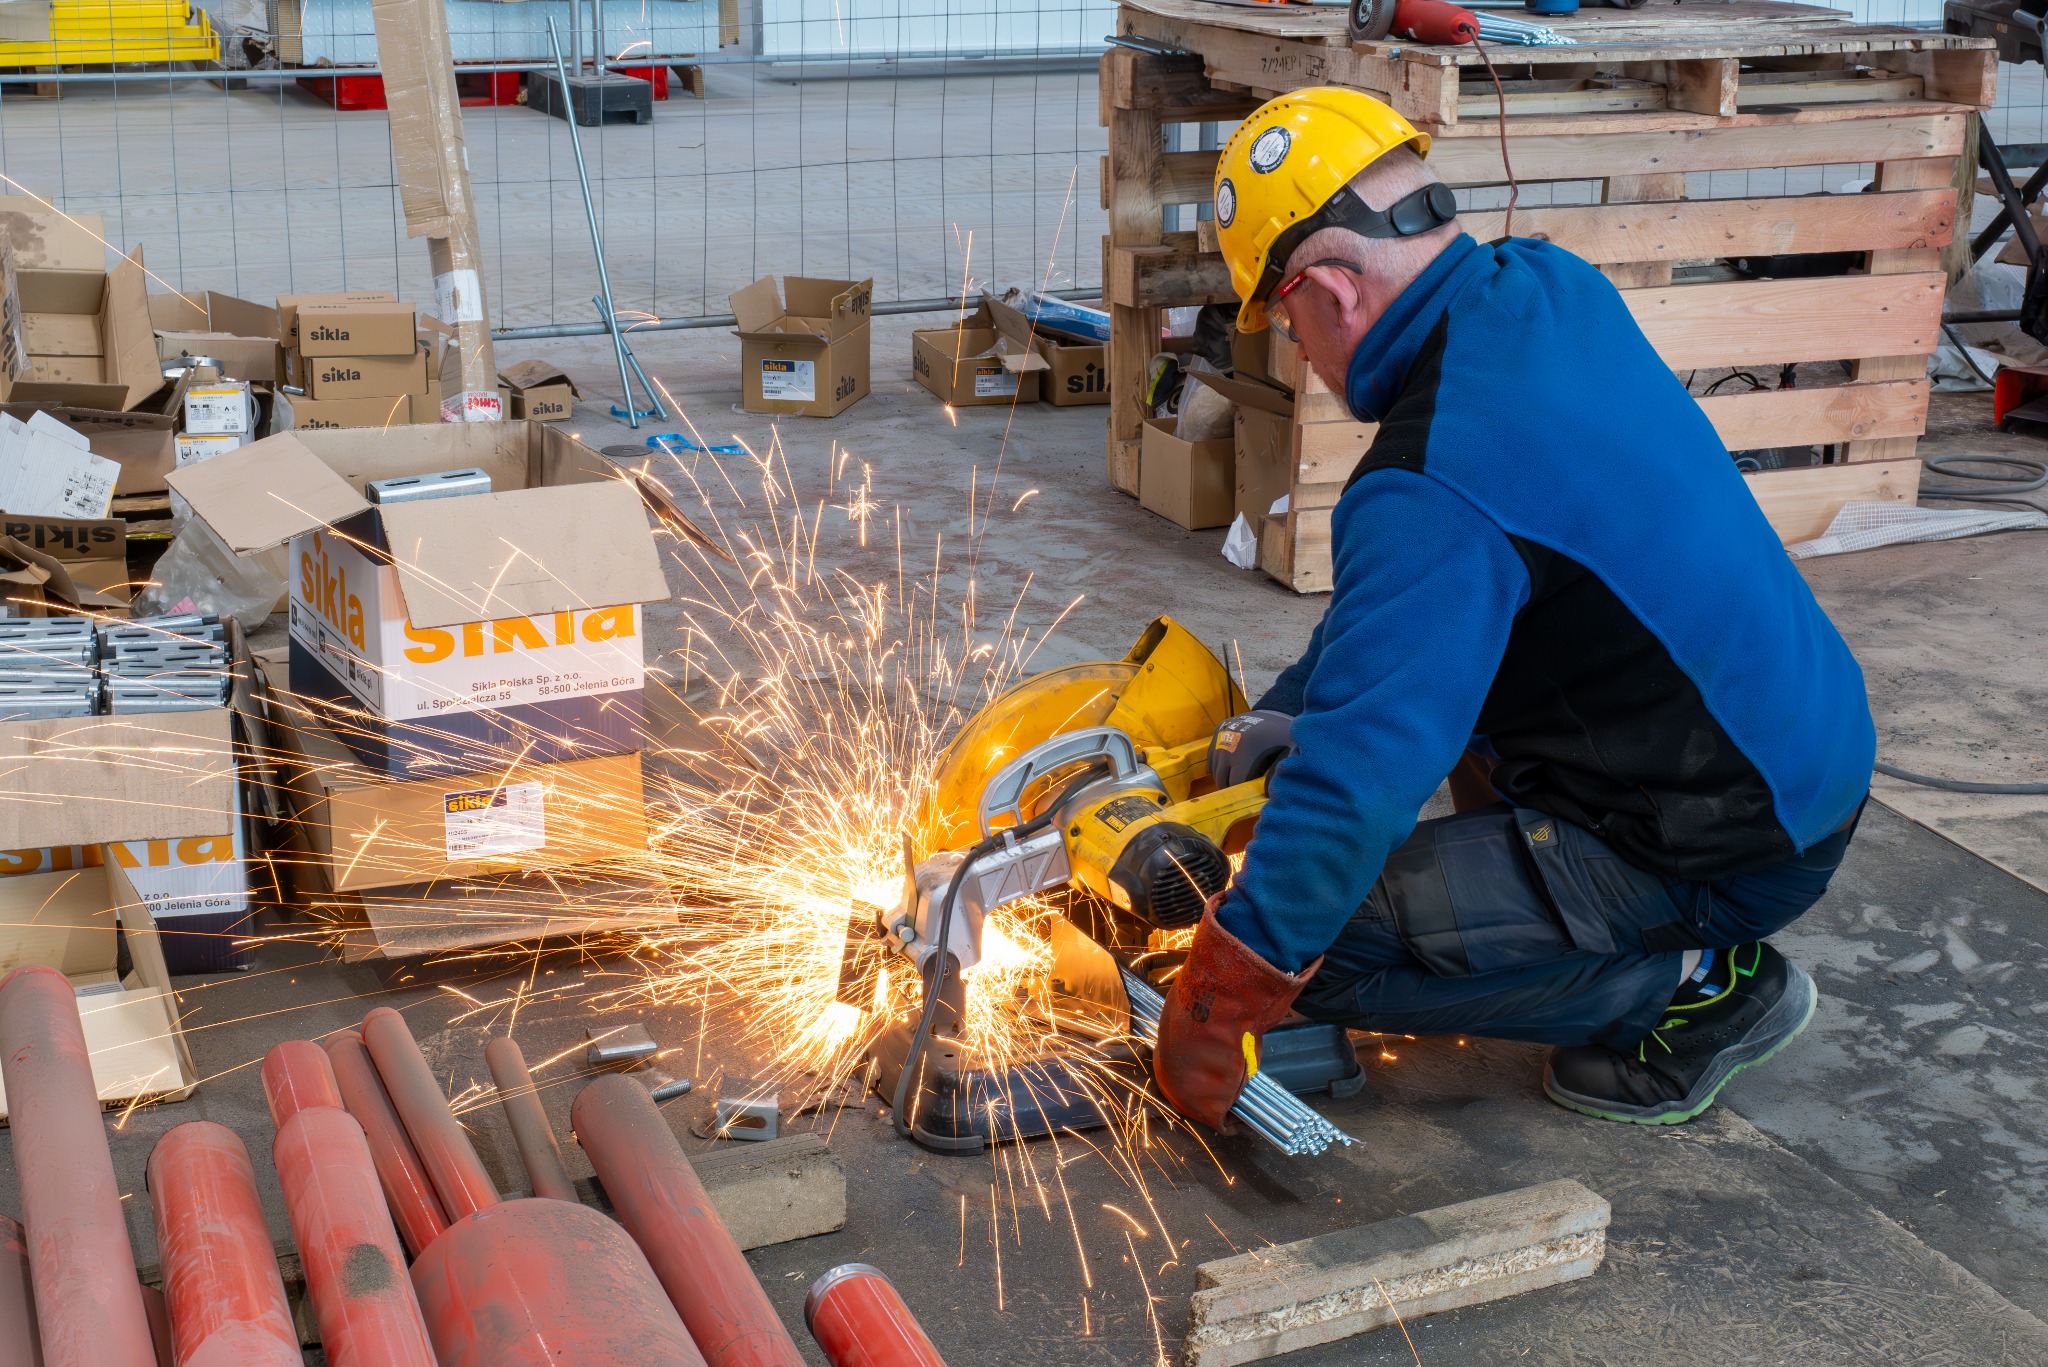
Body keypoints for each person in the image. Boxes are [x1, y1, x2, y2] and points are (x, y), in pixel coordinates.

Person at [1153, 88, 1874, 1131]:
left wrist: (1222, 991)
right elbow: (1404, 618)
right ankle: (1595, 914)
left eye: (1279, 321)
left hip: (1723, 840)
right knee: (1433, 704)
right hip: (1795, 754)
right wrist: (1290, 707)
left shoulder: (1428, 484)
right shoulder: (1547, 287)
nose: (1297, 356)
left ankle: (1683, 983)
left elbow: (1358, 787)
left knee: (1316, 941)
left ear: (1329, 291)